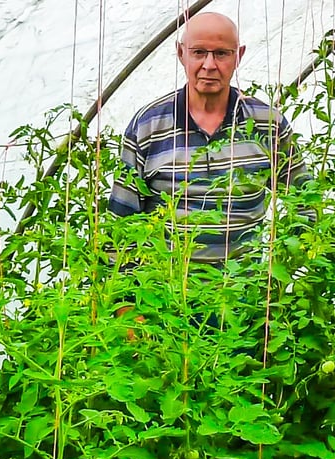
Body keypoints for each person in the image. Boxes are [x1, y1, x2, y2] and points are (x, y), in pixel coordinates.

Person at [107, 11, 308, 267]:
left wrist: (285, 268)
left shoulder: (267, 124)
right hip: (165, 296)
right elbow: (121, 221)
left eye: (221, 53)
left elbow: (304, 200)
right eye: (199, 52)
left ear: (239, 55)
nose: (209, 65)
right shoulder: (149, 125)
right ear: (181, 54)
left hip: (244, 296)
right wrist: (126, 304)